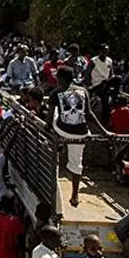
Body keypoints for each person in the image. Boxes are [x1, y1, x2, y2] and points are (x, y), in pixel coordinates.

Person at [47, 66, 103, 207]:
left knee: (54, 117)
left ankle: (59, 145)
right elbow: (89, 114)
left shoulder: (56, 92)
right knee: (77, 163)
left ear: (60, 78)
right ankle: (75, 195)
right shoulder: (83, 91)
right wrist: (105, 132)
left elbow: (48, 121)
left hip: (63, 130)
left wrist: (47, 128)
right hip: (81, 132)